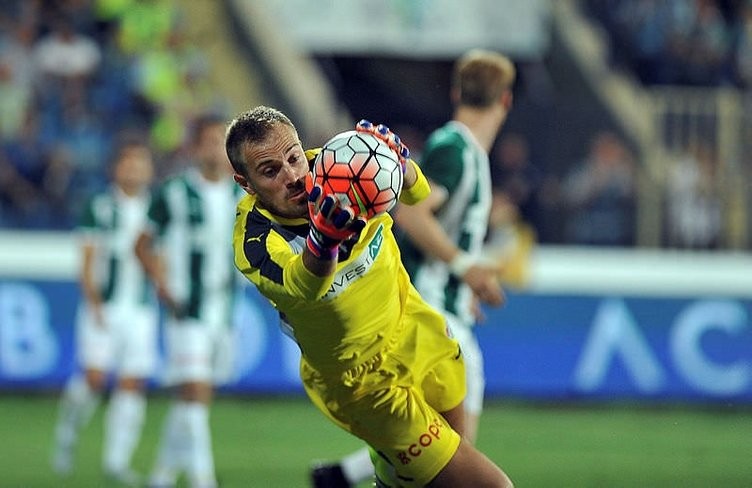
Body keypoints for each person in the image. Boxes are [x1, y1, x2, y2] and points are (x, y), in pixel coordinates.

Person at [226, 105, 514, 488]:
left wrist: (398, 159)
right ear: (245, 183)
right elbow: (303, 286)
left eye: (294, 156)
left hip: (417, 328)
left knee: (444, 465)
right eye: (269, 171)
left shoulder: (341, 162)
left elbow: (416, 194)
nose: (294, 175)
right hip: (362, 381)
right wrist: (324, 241)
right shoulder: (255, 240)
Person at [311, 49, 515, 487]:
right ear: (506, 101)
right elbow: (412, 213)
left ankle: (343, 475)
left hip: (442, 304)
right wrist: (466, 268)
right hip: (430, 315)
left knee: (436, 454)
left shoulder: (463, 150)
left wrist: (461, 285)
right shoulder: (453, 148)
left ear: (458, 91)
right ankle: (346, 475)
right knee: (454, 462)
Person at [135, 114, 240, 488]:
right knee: (193, 392)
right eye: (208, 141)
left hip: (223, 309)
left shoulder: (241, 195)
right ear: (195, 147)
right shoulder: (174, 192)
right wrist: (162, 283)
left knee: (194, 401)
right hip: (184, 306)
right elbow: (142, 245)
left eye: (221, 142)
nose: (215, 149)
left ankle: (161, 476)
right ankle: (202, 479)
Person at [51, 138, 157, 486]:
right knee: (95, 379)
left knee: (131, 383)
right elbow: (86, 260)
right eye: (129, 163)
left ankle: (117, 461)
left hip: (140, 309)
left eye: (141, 163)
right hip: (105, 307)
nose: (135, 170)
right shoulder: (98, 207)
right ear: (116, 168)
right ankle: (68, 430)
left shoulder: (156, 208)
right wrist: (93, 303)